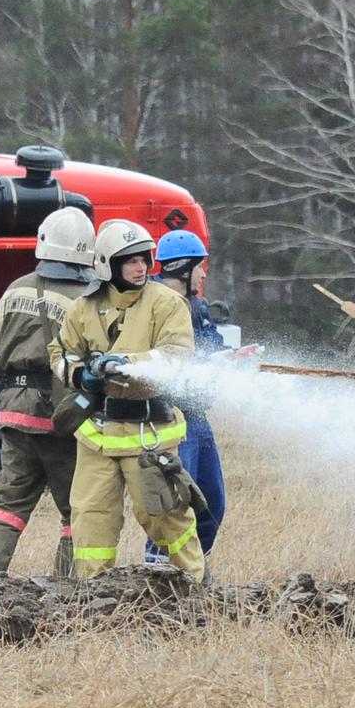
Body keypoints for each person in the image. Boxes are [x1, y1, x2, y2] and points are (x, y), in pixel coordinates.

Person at [0, 208, 101, 577]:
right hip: (59, 413)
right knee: (77, 502)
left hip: (13, 408)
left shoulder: (15, 289)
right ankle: (73, 583)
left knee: (8, 495)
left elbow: (1, 339)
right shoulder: (84, 298)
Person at [49, 219, 204, 580]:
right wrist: (79, 374)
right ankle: (93, 594)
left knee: (164, 514)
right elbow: (60, 352)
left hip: (148, 433)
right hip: (97, 434)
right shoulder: (83, 307)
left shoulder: (167, 304)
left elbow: (176, 355)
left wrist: (126, 364)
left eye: (144, 259)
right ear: (107, 264)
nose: (141, 268)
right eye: (130, 261)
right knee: (90, 516)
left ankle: (195, 585)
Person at [145, 229, 227, 565]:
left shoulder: (197, 306)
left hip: (197, 418)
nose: (204, 273)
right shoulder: (153, 306)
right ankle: (158, 574)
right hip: (171, 420)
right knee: (174, 504)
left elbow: (213, 345)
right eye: (200, 266)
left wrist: (230, 357)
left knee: (212, 503)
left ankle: (195, 571)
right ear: (182, 268)